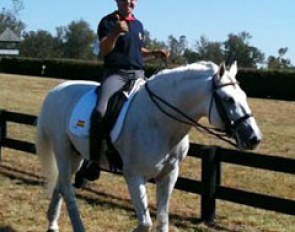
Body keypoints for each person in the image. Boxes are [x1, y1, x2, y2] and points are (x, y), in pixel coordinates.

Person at [74, 0, 169, 186]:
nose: (130, 2)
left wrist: (155, 53)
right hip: (116, 75)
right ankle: (93, 161)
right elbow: (104, 49)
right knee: (100, 111)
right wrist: (115, 32)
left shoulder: (138, 24)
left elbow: (138, 52)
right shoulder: (108, 22)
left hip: (139, 75)